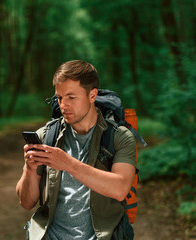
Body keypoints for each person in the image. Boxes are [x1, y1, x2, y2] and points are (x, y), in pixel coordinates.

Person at [16, 60, 137, 240]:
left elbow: (120, 189)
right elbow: (26, 203)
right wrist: (30, 169)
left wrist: (68, 164)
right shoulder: (46, 136)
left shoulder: (119, 137)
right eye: (59, 98)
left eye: (71, 97)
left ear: (92, 95)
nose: (63, 105)